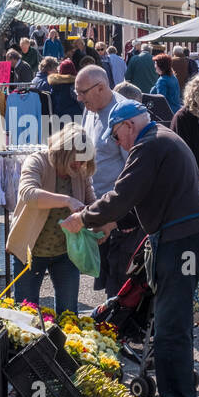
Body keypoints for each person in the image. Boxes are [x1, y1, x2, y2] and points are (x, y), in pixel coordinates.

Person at [61, 102, 199, 397]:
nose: (118, 143)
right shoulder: (161, 138)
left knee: (172, 325)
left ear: (128, 125)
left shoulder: (149, 144)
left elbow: (122, 194)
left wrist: (83, 218)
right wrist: (112, 224)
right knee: (173, 323)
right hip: (184, 237)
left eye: (117, 136)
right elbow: (140, 198)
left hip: (181, 241)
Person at [6, 123, 98, 317]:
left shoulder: (80, 170)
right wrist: (66, 200)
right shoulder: (37, 161)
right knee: (25, 314)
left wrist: (104, 222)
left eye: (83, 162)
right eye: (75, 162)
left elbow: (91, 202)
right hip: (30, 252)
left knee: (69, 314)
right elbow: (28, 193)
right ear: (63, 152)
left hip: (66, 252)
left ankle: (64, 348)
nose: (80, 166)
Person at [76, 66, 136, 294]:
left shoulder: (121, 114)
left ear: (101, 88)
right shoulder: (89, 108)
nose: (79, 98)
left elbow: (133, 170)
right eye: (77, 93)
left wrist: (116, 219)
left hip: (119, 215)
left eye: (83, 92)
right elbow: (84, 150)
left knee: (119, 286)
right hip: (98, 208)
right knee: (107, 282)